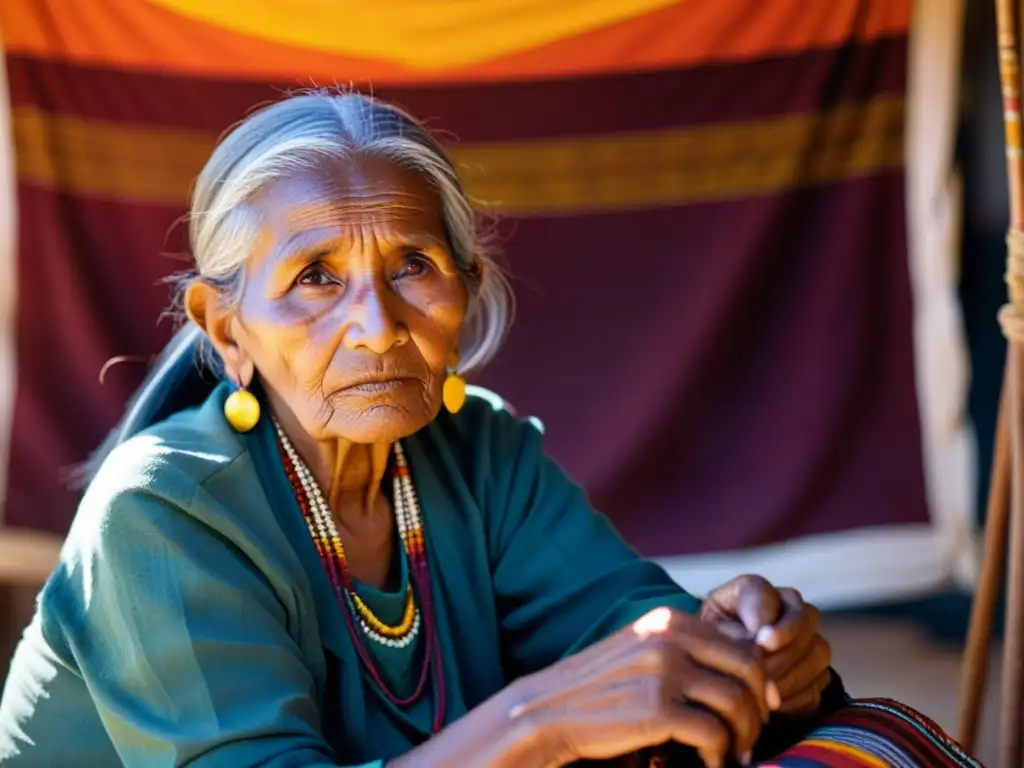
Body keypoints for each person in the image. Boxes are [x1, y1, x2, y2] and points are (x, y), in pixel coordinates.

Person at [0, 92, 977, 768]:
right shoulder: (164, 511)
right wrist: (538, 724)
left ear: (467, 291)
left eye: (414, 266)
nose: (378, 325)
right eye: (315, 278)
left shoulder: (480, 453)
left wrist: (746, 651)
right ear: (228, 329)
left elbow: (634, 637)